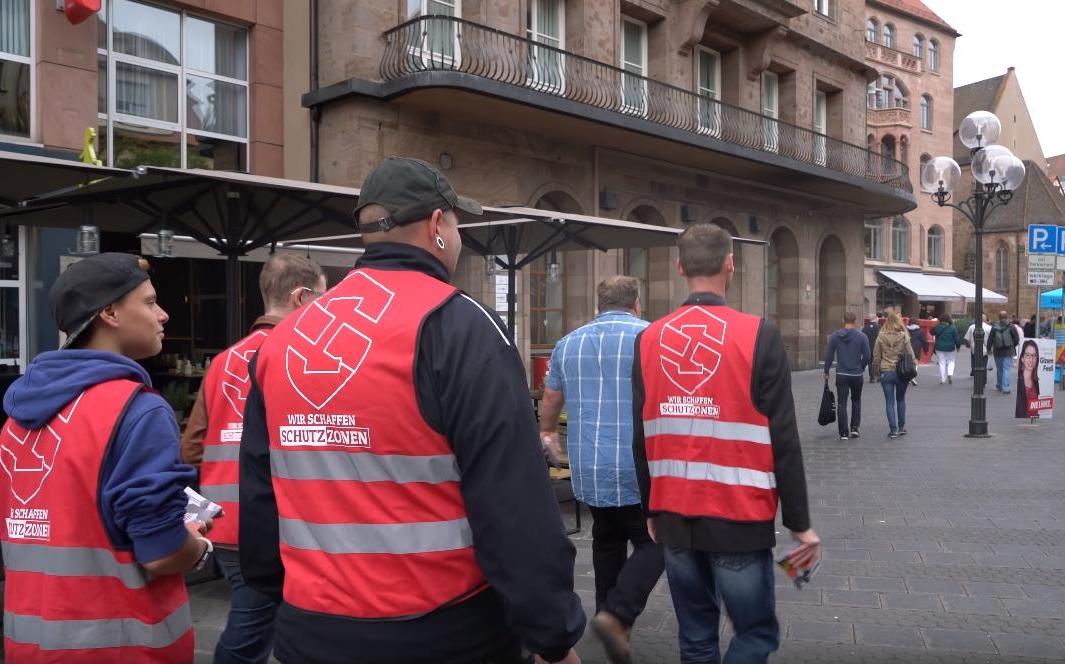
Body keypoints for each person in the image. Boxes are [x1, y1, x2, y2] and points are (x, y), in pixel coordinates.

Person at [239, 157, 585, 664]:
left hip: (308, 630)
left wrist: (281, 594)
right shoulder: (460, 325)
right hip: (443, 632)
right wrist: (552, 632)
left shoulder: (283, 340)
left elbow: (261, 490)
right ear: (436, 225)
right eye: (457, 222)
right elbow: (513, 503)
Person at [0, 253, 207, 661]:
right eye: (149, 301)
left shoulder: (16, 421)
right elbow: (161, 552)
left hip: (29, 645)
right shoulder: (138, 409)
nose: (163, 314)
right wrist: (196, 545)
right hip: (123, 647)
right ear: (109, 313)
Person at [632, 224, 819, 663]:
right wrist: (799, 522)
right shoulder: (760, 336)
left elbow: (640, 437)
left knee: (695, 637)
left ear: (680, 267)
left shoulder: (649, 339)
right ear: (730, 266)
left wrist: (650, 509)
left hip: (675, 514)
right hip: (739, 517)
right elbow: (784, 441)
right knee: (754, 634)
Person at [181, 254, 326, 664]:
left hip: (224, 521)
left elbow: (192, 447)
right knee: (251, 636)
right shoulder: (300, 358)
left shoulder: (223, 362)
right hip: (278, 522)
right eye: (323, 299)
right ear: (301, 298)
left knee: (263, 626)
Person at [538, 276, 662, 664]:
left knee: (606, 542)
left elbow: (551, 397)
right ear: (636, 303)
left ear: (599, 302)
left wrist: (545, 431)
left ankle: (610, 625)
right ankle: (617, 615)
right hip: (641, 467)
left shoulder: (568, 343)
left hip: (591, 467)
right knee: (659, 542)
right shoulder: (653, 339)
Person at [823, 311, 870, 441]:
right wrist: (861, 366)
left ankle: (843, 432)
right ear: (854, 321)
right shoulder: (862, 336)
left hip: (842, 373)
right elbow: (867, 355)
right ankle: (855, 428)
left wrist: (826, 370)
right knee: (856, 400)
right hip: (856, 374)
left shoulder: (835, 336)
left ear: (843, 320)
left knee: (842, 402)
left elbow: (829, 355)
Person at [872, 312, 915, 438]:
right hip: (902, 372)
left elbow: (876, 357)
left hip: (886, 371)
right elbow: (911, 355)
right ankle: (901, 427)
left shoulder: (880, 336)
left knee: (889, 402)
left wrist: (876, 373)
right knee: (901, 399)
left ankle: (893, 430)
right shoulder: (904, 337)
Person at [986, 310, 1019, 394]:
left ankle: (1000, 386)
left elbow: (990, 339)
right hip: (1008, 351)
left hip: (998, 351)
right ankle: (1006, 388)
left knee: (999, 369)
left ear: (999, 318)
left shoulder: (994, 327)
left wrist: (989, 349)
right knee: (1007, 369)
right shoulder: (1011, 326)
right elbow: (1016, 339)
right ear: (1007, 317)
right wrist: (1012, 346)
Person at [930, 313, 960, 385]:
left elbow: (931, 332)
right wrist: (958, 346)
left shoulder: (937, 327)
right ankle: (950, 374)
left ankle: (943, 379)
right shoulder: (953, 327)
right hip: (950, 348)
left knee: (942, 363)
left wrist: (936, 325)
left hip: (939, 347)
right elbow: (957, 338)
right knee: (951, 361)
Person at [1015, 340, 1041, 418]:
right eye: (1027, 355)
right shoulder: (1018, 381)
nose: (1031, 359)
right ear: (1022, 358)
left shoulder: (1036, 381)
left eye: (1034, 355)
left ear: (1037, 359)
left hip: (1034, 423)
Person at [905, 316, 926, 386]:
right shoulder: (920, 331)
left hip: (907, 348)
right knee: (915, 363)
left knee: (908, 363)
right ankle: (912, 377)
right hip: (917, 348)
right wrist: (926, 349)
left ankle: (907, 376)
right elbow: (924, 341)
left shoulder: (906, 330)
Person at [862, 315, 881, 381]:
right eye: (878, 320)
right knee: (878, 361)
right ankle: (878, 376)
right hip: (877, 347)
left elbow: (862, 338)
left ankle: (872, 377)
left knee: (870, 362)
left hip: (868, 347)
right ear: (875, 320)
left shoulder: (865, 328)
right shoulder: (879, 327)